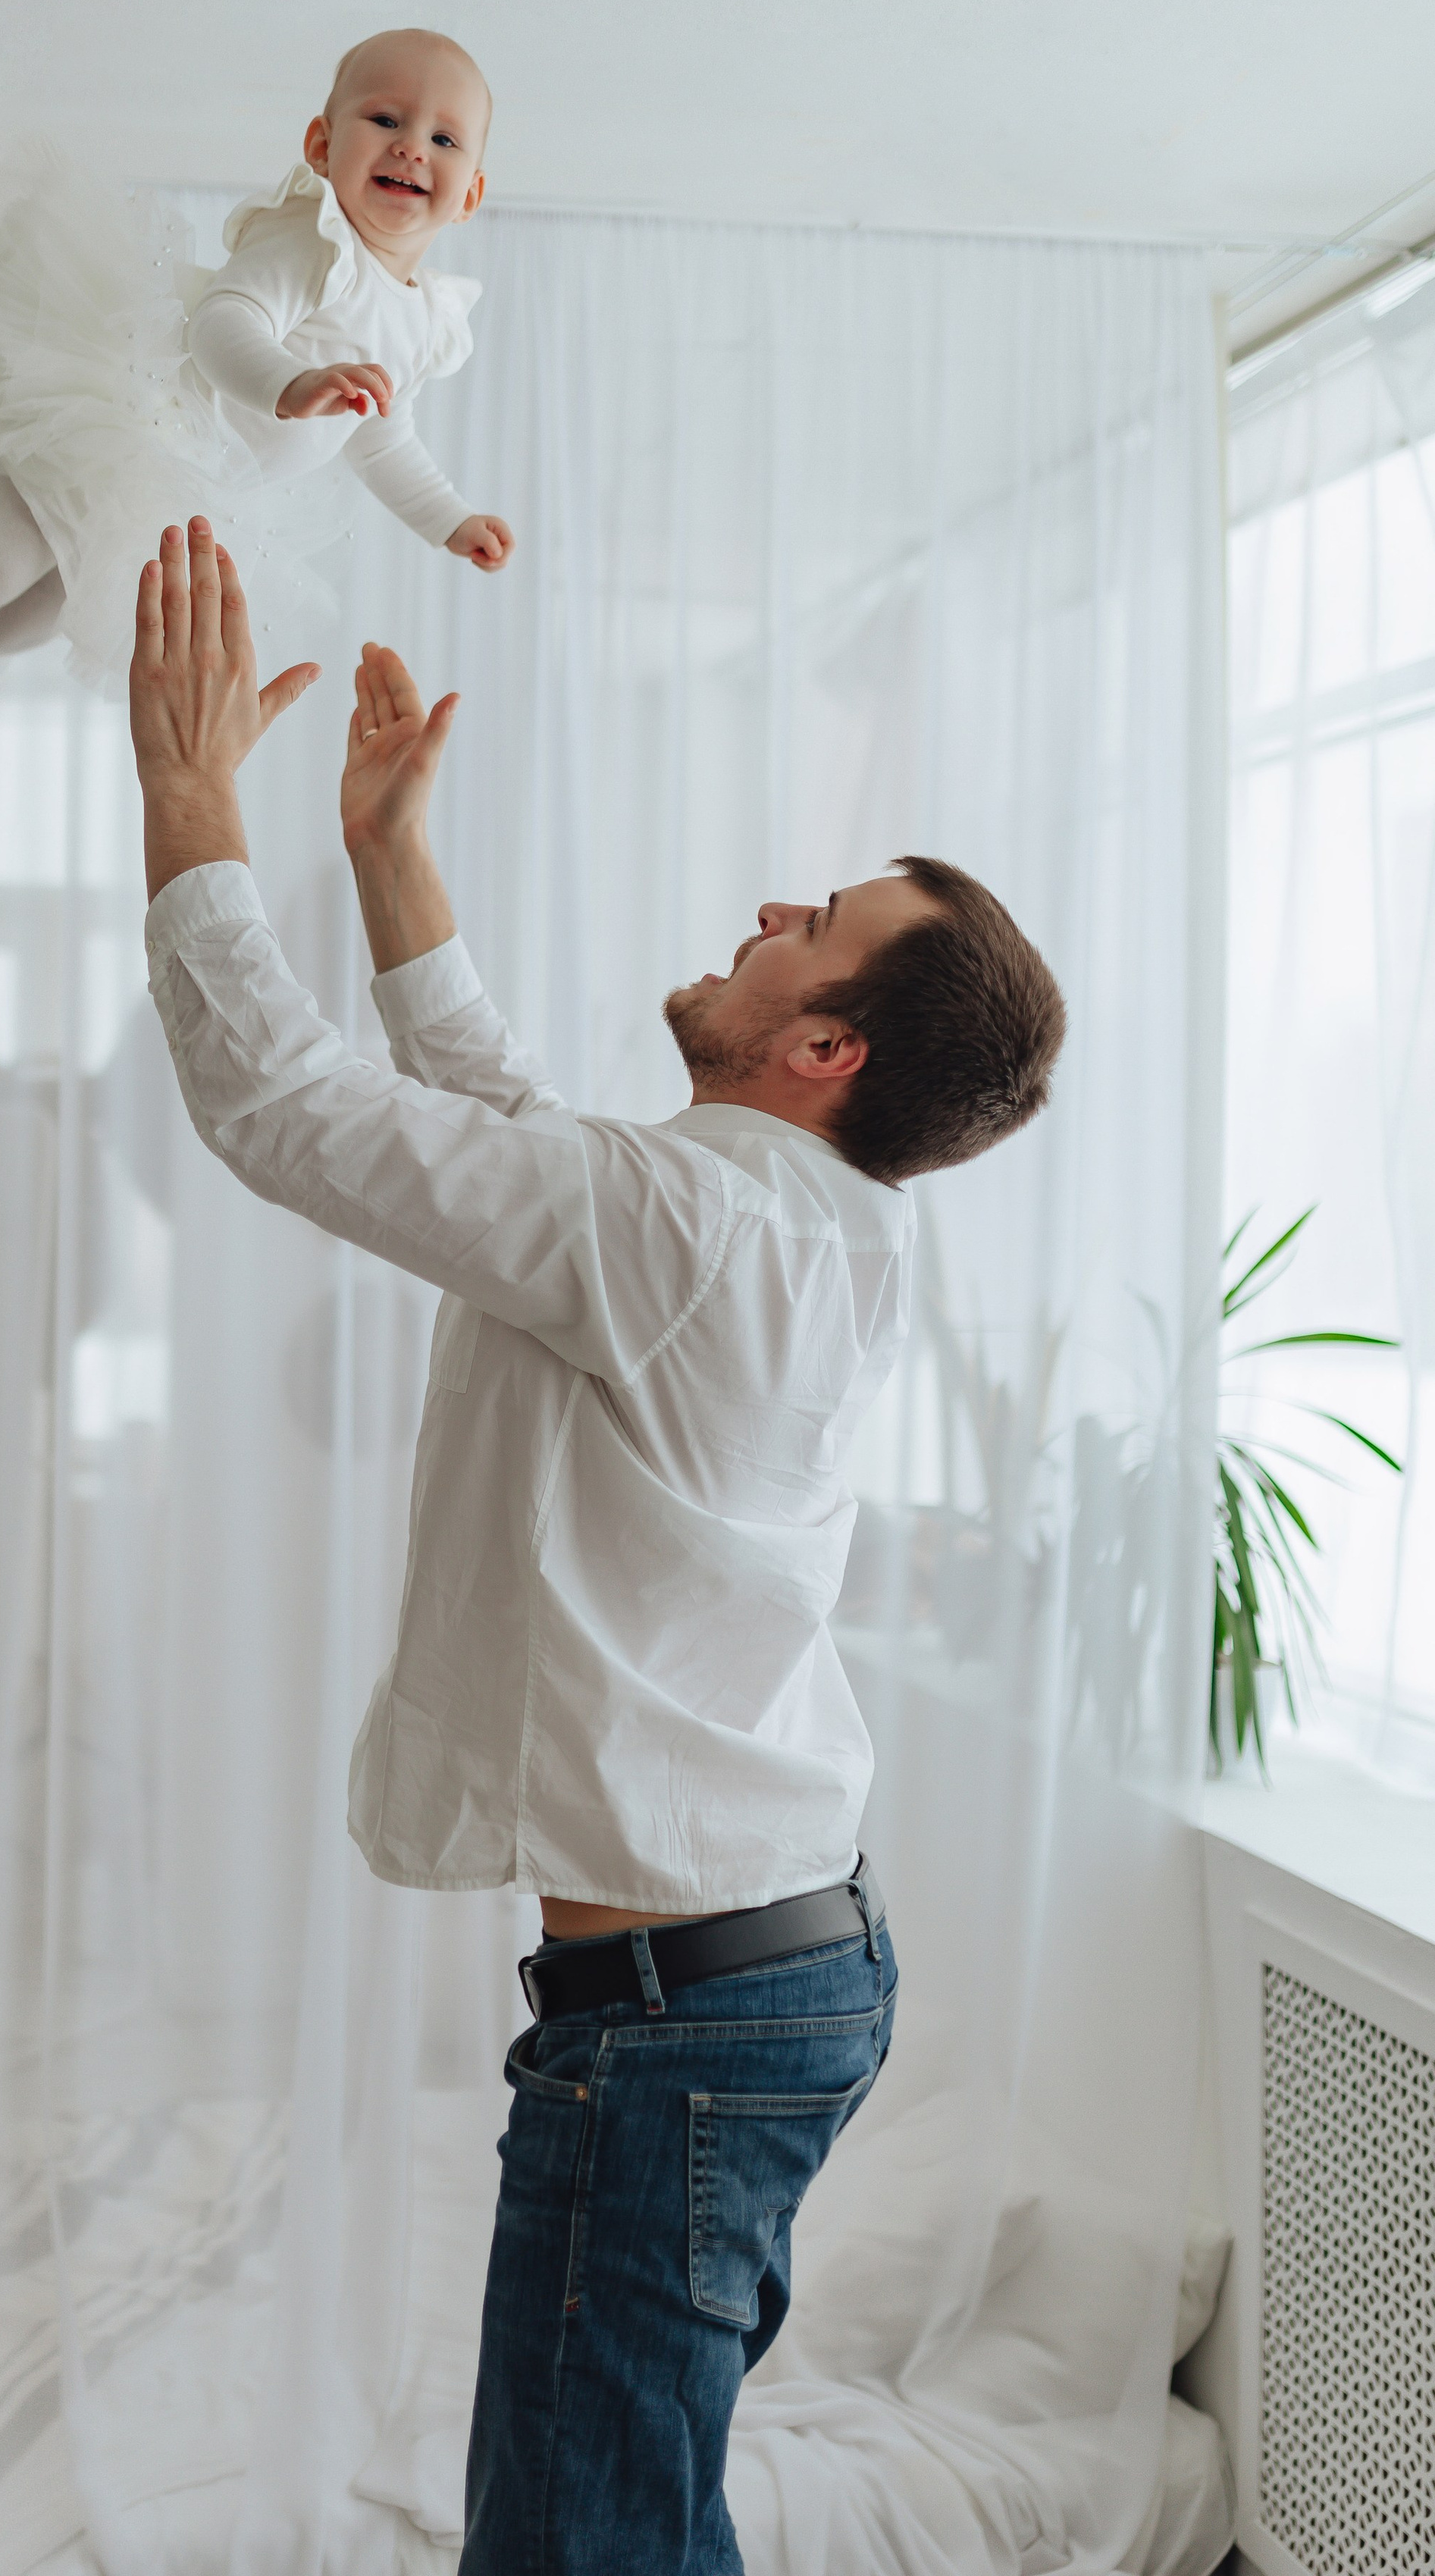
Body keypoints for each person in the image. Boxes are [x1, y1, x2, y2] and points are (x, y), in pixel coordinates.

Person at [133, 519, 1067, 2573]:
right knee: (612, 2513)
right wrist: (389, 855)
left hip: (696, 2013)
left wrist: (184, 792)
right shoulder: (780, 1223)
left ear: (825, 1050)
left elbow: (286, 1108)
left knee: (579, 2540)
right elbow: (518, 1149)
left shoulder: (700, 1229)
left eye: (815, 921)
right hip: (749, 1980)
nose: (765, 909)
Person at [0, 28, 511, 799]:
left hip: (177, 486)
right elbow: (223, 323)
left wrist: (449, 518)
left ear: (469, 194)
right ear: (321, 146)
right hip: (125, 418)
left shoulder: (425, 318)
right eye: (385, 119)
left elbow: (381, 436)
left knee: (24, 620)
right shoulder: (317, 246)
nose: (411, 146)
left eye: (444, 140)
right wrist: (288, 384)